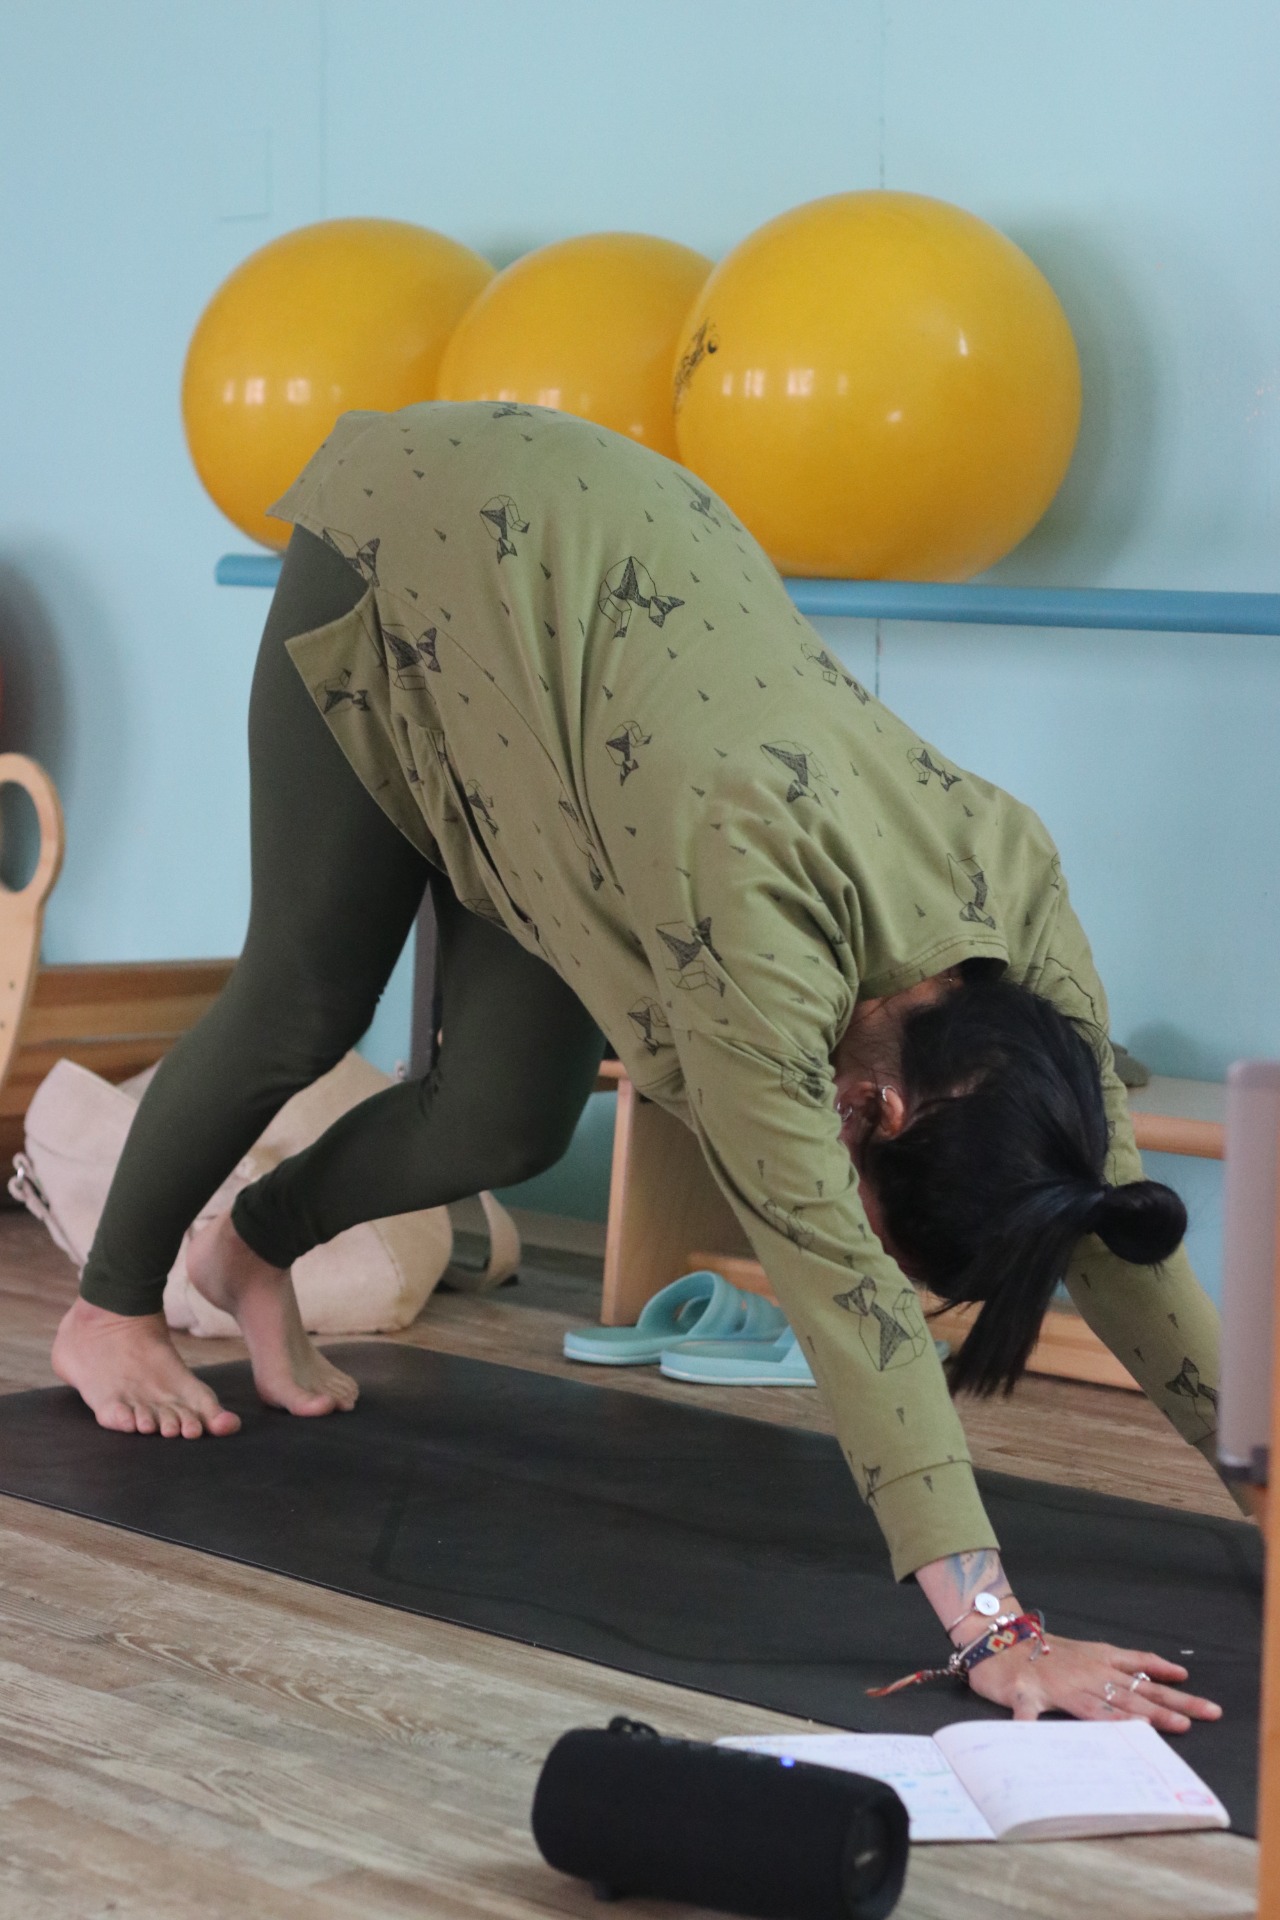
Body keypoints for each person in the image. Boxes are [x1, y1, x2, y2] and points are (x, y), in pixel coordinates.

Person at [52, 401, 1233, 1736]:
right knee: (305, 997)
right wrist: (999, 1636)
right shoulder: (758, 928)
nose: (863, 1227)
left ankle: (250, 1249)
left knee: (503, 1116)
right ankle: (112, 1309)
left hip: (582, 677)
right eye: (881, 1214)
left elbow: (1119, 1226)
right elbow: (842, 1297)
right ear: (872, 1110)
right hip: (429, 538)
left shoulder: (1020, 912)